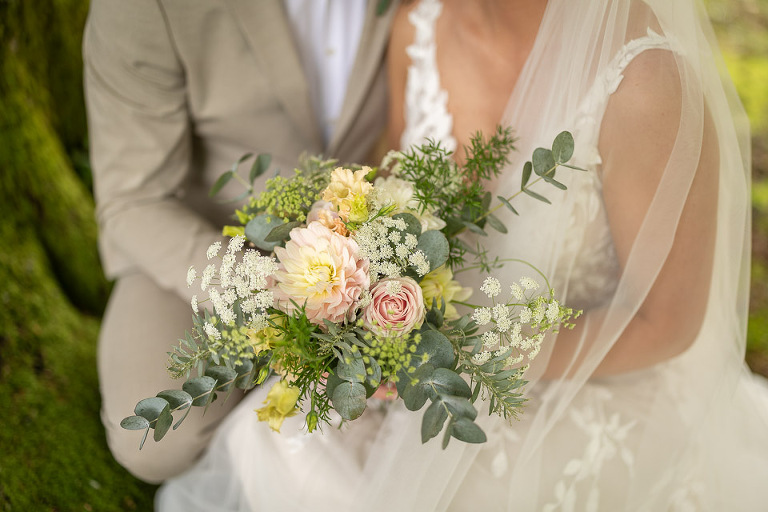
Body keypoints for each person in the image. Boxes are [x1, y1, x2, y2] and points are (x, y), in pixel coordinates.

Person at [157, 0, 768, 510]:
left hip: (592, 376)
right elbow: (386, 176)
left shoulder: (644, 82)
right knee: (277, 438)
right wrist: (351, 282)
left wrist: (470, 357)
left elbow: (670, 323)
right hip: (423, 348)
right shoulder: (420, 24)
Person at [83, 0, 397, 483]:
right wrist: (282, 302)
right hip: (204, 244)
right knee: (153, 438)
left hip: (376, 235)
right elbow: (133, 200)